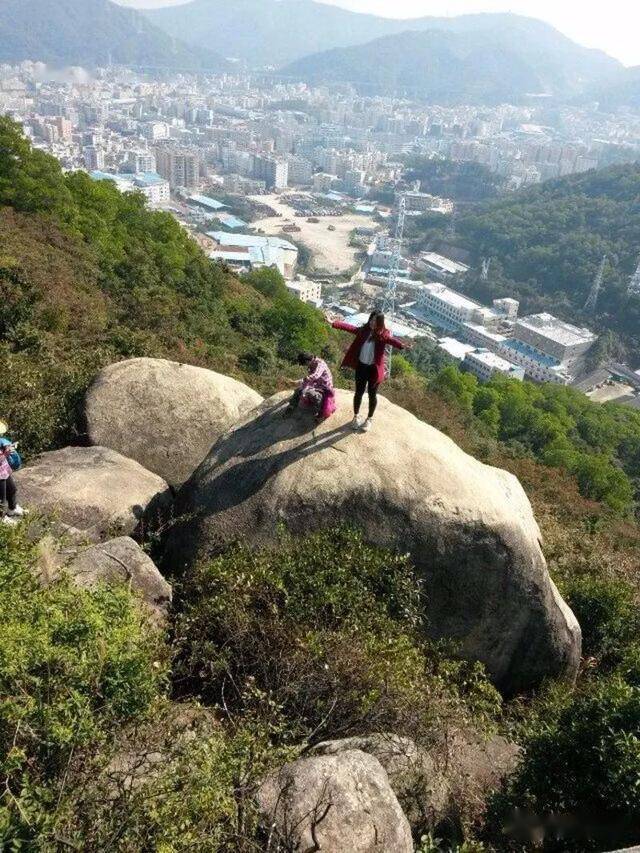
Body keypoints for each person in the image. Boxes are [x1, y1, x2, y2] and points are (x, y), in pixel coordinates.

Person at [330, 310, 409, 432]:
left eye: (376, 321)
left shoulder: (383, 334)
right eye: (371, 320)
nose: (373, 323)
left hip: (374, 370)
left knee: (372, 395)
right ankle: (356, 417)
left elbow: (391, 340)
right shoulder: (364, 330)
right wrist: (334, 323)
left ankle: (369, 419)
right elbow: (349, 327)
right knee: (359, 393)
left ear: (380, 322)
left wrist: (402, 345)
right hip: (361, 367)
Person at [285, 352, 337, 421]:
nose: (305, 365)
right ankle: (292, 406)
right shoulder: (311, 365)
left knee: (311, 394)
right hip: (316, 385)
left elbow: (315, 376)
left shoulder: (320, 364)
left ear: (307, 361)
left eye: (304, 363)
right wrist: (302, 387)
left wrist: (300, 382)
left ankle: (321, 411)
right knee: (299, 390)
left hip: (325, 387)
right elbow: (309, 380)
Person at [0, 434, 25, 525]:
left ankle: (12, 509)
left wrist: (8, 447)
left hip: (4, 471)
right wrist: (5, 454)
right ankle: (2, 519)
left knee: (12, 489)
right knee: (1, 499)